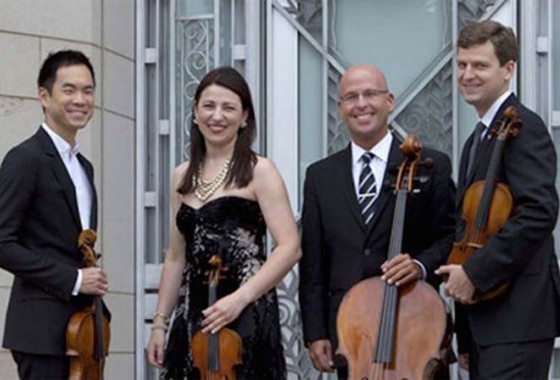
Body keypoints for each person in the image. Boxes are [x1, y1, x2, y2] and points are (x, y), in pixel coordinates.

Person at [299, 64, 456, 374]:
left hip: (415, 328)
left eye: (370, 94)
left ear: (390, 101)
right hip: (353, 335)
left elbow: (451, 237)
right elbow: (313, 263)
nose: (361, 104)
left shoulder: (430, 165)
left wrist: (419, 265)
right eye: (351, 97)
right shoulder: (320, 176)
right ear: (340, 108)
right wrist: (316, 332)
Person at [145, 66, 301, 379]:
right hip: (193, 314)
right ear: (194, 113)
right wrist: (160, 323)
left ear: (244, 118)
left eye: (229, 107)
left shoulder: (260, 170)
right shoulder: (181, 176)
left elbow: (290, 247)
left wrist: (240, 299)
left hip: (246, 312)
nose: (217, 116)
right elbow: (176, 257)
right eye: (209, 106)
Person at [436, 20, 560, 379]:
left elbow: (539, 213)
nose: (467, 75)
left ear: (508, 70)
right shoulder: (477, 138)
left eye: (480, 65)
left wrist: (474, 273)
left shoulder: (525, 128)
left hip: (516, 319)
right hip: (486, 325)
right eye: (462, 65)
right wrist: (465, 334)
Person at [0, 50, 109, 379]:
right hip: (41, 329)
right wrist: (74, 279)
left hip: (82, 326)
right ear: (44, 96)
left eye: (88, 90)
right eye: (68, 90)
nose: (80, 100)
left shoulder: (83, 167)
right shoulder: (25, 158)